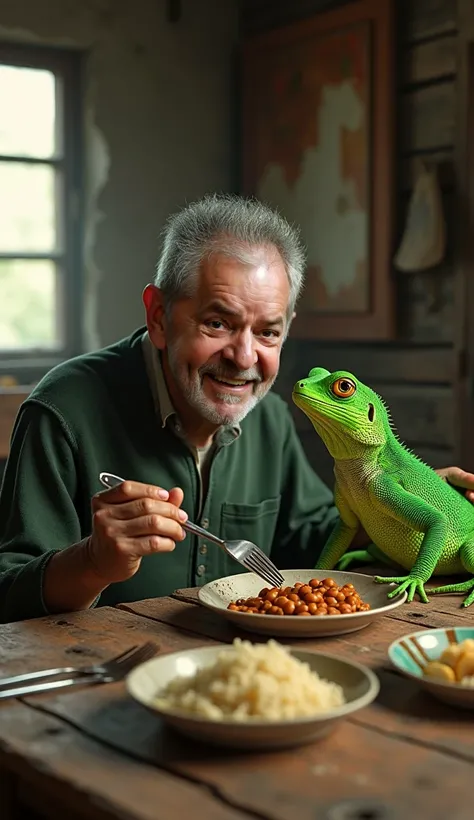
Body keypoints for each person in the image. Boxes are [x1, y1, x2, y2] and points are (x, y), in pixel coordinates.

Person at [0, 194, 473, 623]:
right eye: (217, 323)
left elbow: (311, 537)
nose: (244, 358)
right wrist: (93, 561)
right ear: (158, 317)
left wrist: (424, 503)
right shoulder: (62, 408)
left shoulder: (266, 413)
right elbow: (7, 597)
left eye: (268, 332)